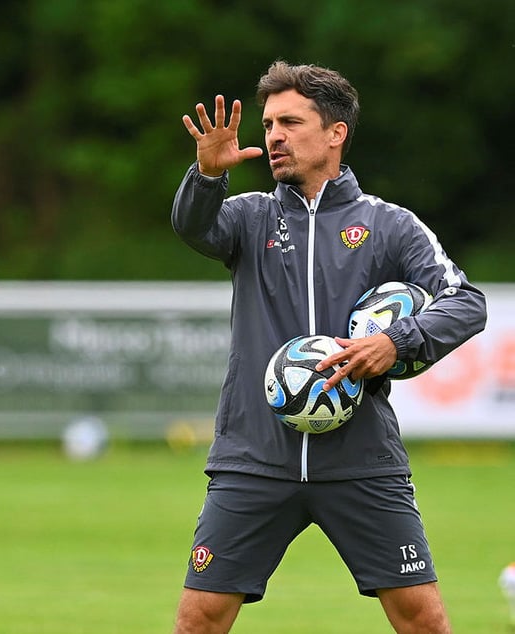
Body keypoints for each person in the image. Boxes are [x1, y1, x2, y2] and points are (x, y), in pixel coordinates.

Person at [170, 60, 486, 633]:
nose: (274, 137)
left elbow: (466, 302)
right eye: (268, 126)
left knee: (422, 620)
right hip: (255, 459)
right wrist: (207, 178)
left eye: (290, 122)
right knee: (200, 620)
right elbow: (194, 229)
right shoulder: (247, 216)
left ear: (335, 132)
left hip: (361, 459)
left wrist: (396, 341)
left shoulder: (390, 226)